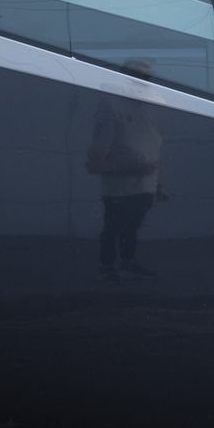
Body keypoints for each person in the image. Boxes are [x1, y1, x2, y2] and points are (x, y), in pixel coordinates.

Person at [85, 60, 165, 281]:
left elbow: (150, 146)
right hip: (120, 189)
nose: (144, 83)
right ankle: (107, 267)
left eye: (147, 79)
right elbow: (96, 160)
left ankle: (128, 262)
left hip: (144, 187)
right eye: (138, 78)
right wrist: (133, 168)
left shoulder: (149, 108)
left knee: (133, 228)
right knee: (113, 227)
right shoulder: (111, 107)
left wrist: (156, 183)